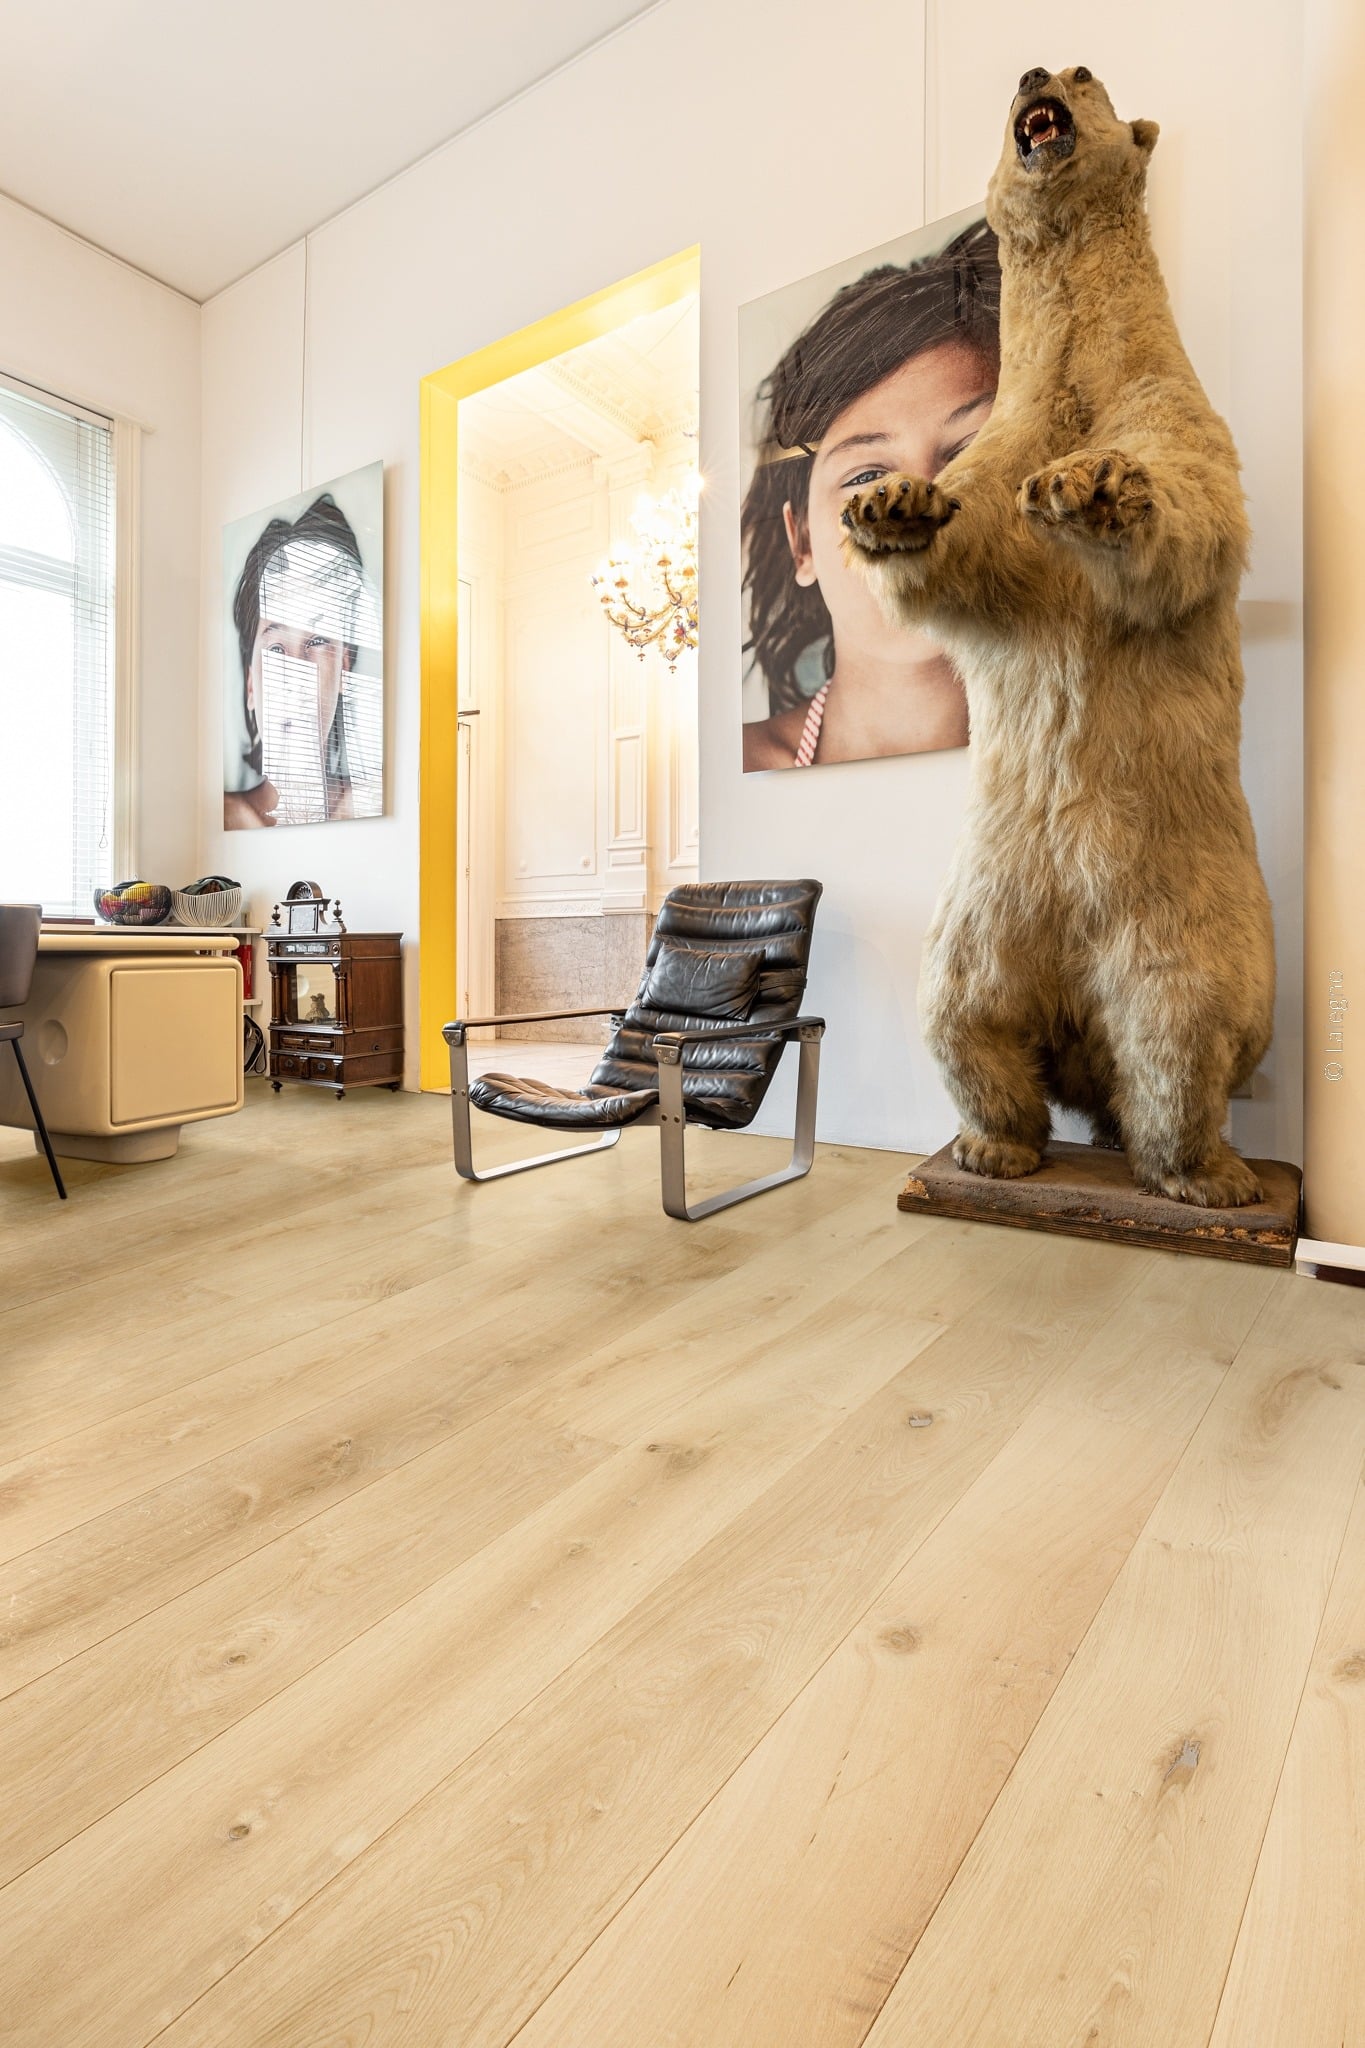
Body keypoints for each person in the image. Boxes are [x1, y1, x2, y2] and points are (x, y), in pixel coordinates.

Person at [742, 219, 1001, 771]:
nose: (918, 510)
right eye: (866, 478)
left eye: (969, 455)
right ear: (802, 542)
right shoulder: (748, 763)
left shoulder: (1106, 766)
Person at [224, 493, 381, 828]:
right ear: (251, 685)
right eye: (277, 649)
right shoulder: (228, 820)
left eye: (317, 641)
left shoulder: (369, 808)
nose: (295, 673)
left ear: (343, 669)